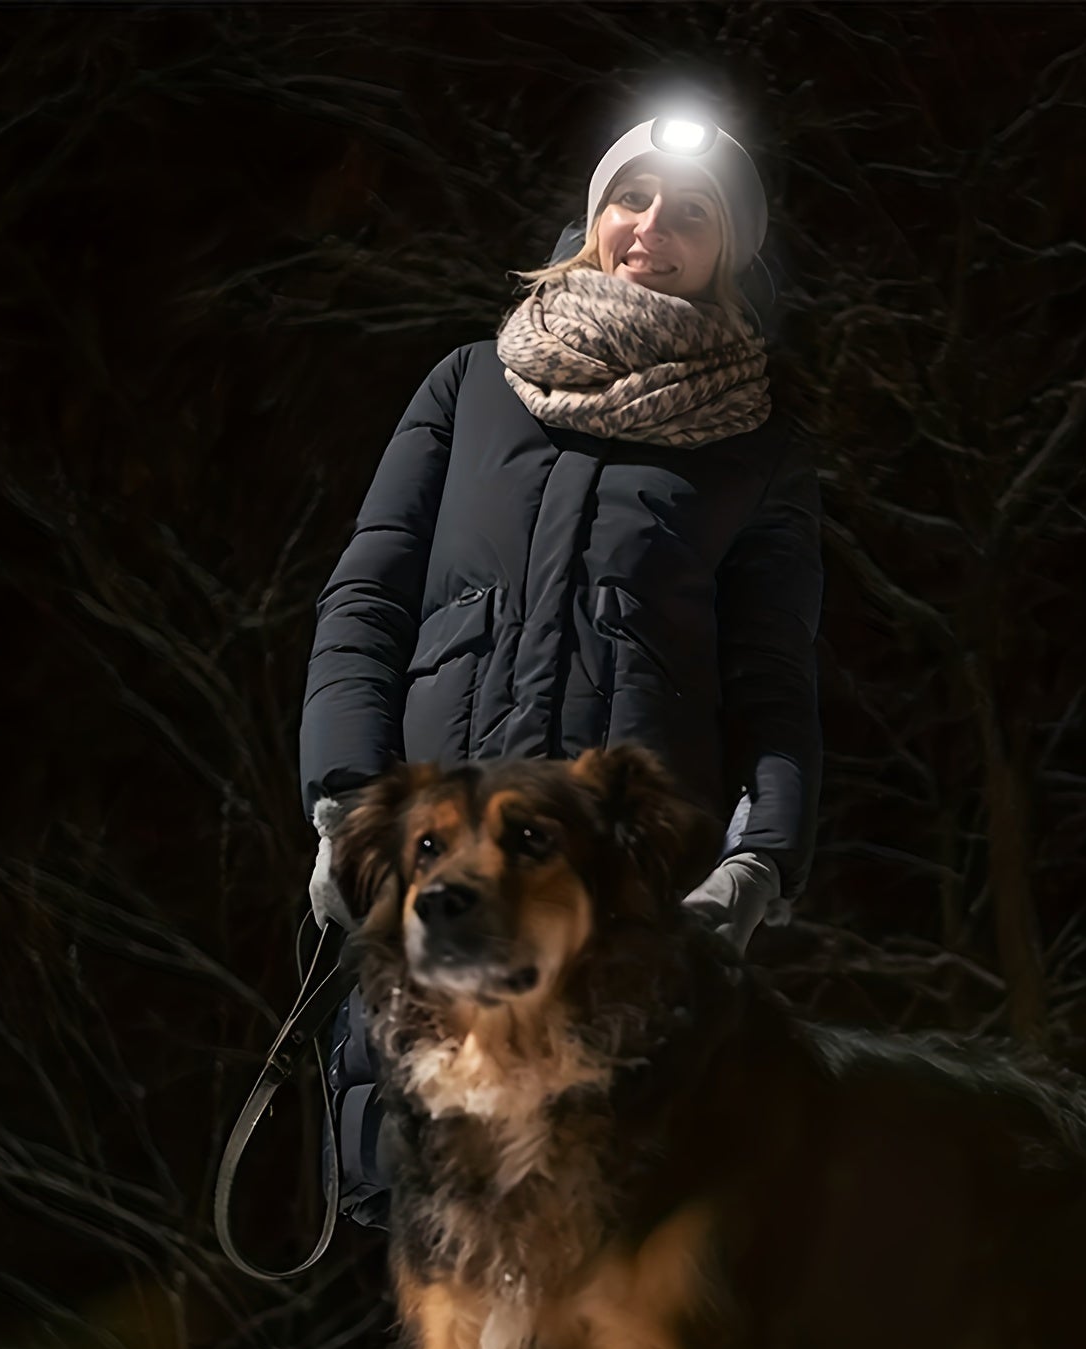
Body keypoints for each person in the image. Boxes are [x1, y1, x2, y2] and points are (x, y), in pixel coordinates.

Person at [299, 114, 824, 1230]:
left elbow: (775, 684)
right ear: (595, 215)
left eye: (692, 213)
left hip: (614, 904)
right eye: (632, 198)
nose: (652, 230)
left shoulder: (761, 451)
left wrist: (761, 859)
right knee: (444, 1268)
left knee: (611, 1250)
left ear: (730, 248)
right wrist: (339, 801)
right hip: (442, 876)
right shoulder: (467, 388)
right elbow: (366, 599)